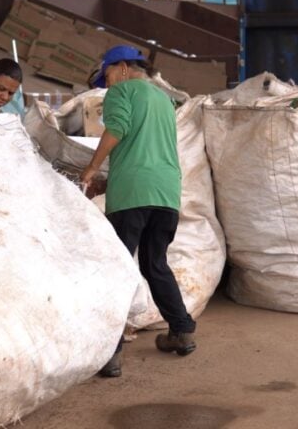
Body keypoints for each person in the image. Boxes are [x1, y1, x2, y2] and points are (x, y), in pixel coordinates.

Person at [80, 45, 196, 378]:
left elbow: (116, 128)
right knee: (154, 263)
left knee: (117, 269)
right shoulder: (163, 99)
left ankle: (110, 352)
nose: (108, 84)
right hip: (166, 193)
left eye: (108, 76)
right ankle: (182, 329)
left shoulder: (122, 92)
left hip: (132, 192)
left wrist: (91, 168)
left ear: (123, 68)